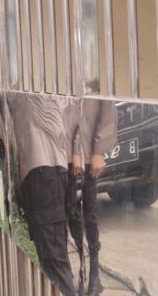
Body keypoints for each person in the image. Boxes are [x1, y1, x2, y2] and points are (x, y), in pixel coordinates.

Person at [8, 92, 77, 296]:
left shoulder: (26, 88)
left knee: (53, 260)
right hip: (54, 172)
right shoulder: (51, 87)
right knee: (55, 256)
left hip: (42, 174)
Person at [65, 98, 117, 296]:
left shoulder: (94, 70)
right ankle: (81, 269)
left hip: (88, 147)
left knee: (89, 213)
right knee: (70, 211)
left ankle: (94, 271)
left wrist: (99, 151)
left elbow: (106, 105)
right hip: (66, 149)